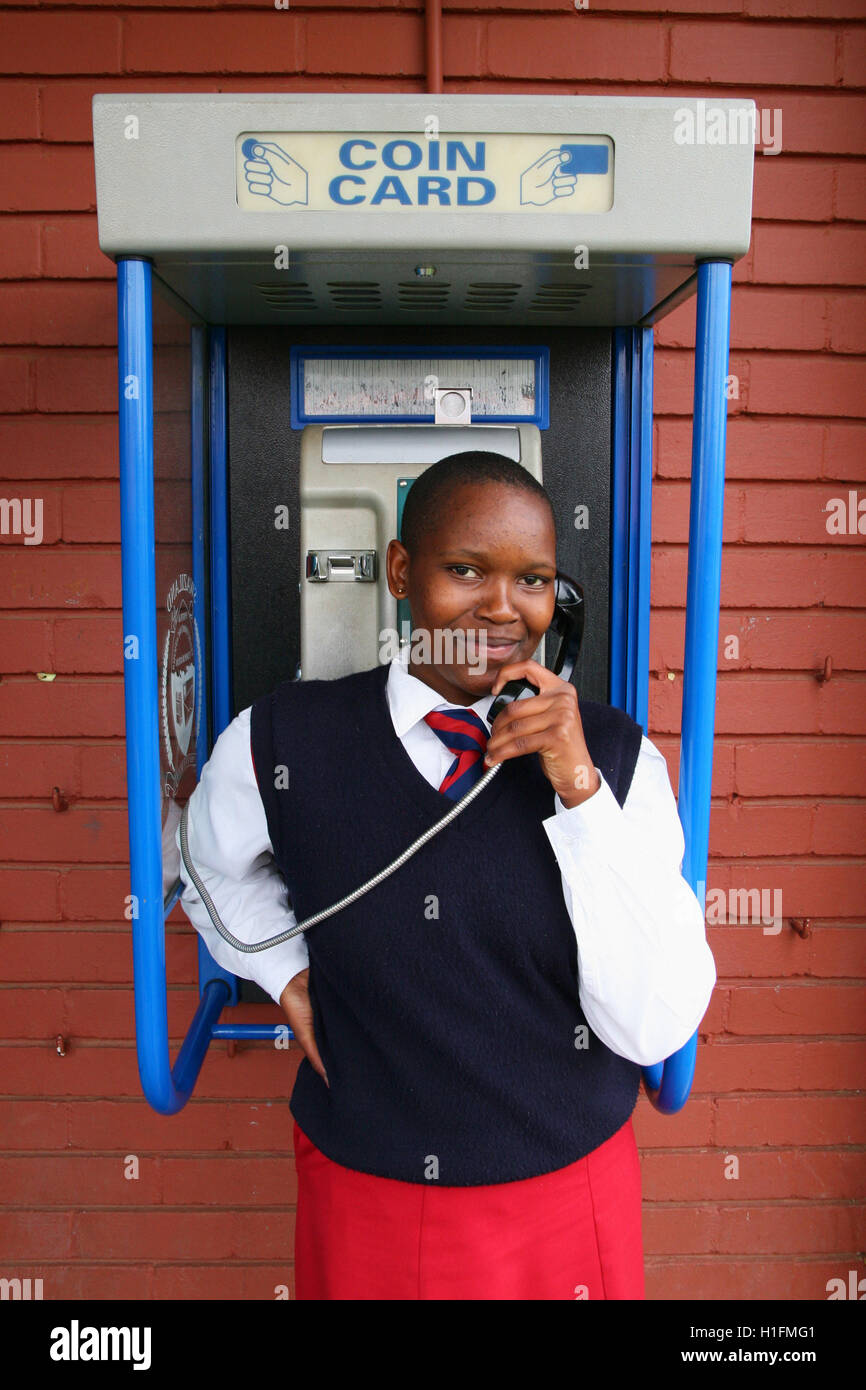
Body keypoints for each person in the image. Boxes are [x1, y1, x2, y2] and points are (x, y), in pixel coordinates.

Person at [176, 450, 715, 1301]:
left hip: (565, 1187)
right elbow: (207, 871)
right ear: (400, 570)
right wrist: (284, 975)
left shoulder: (615, 760)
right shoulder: (282, 741)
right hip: (369, 1185)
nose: (502, 609)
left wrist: (578, 792)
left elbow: (654, 1022)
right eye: (465, 570)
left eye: (533, 580)